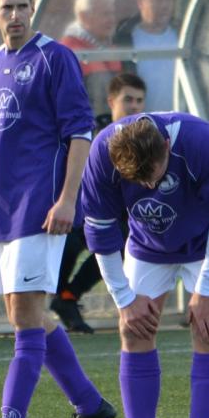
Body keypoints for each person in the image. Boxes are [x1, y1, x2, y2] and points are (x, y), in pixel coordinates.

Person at [0, 0, 116, 418]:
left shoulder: (56, 58)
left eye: (22, 6)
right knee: (25, 312)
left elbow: (79, 133)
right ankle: (90, 406)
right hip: (2, 209)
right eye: (6, 7)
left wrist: (68, 199)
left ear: (33, 8)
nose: (15, 15)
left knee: (26, 316)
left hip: (39, 206)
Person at [81, 113, 209, 418]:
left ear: (167, 146)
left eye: (154, 175)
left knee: (208, 329)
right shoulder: (102, 154)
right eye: (138, 181)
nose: (149, 185)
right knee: (134, 330)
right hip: (149, 241)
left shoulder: (204, 143)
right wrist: (124, 299)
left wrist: (206, 289)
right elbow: (101, 233)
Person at [51, 71, 150, 334]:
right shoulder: (91, 133)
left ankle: (68, 297)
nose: (134, 106)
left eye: (140, 101)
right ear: (111, 101)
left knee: (119, 242)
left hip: (119, 217)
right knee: (68, 243)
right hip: (80, 211)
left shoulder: (146, 136)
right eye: (128, 99)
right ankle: (54, 299)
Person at [113, 0, 179, 113]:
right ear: (141, 3)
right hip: (142, 123)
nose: (165, 6)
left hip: (180, 119)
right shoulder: (126, 39)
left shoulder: (182, 34)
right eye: (158, 0)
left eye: (168, 0)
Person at [60, 0, 122, 121]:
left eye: (112, 13)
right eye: (105, 14)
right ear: (83, 17)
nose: (111, 19)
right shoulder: (69, 51)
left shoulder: (109, 47)